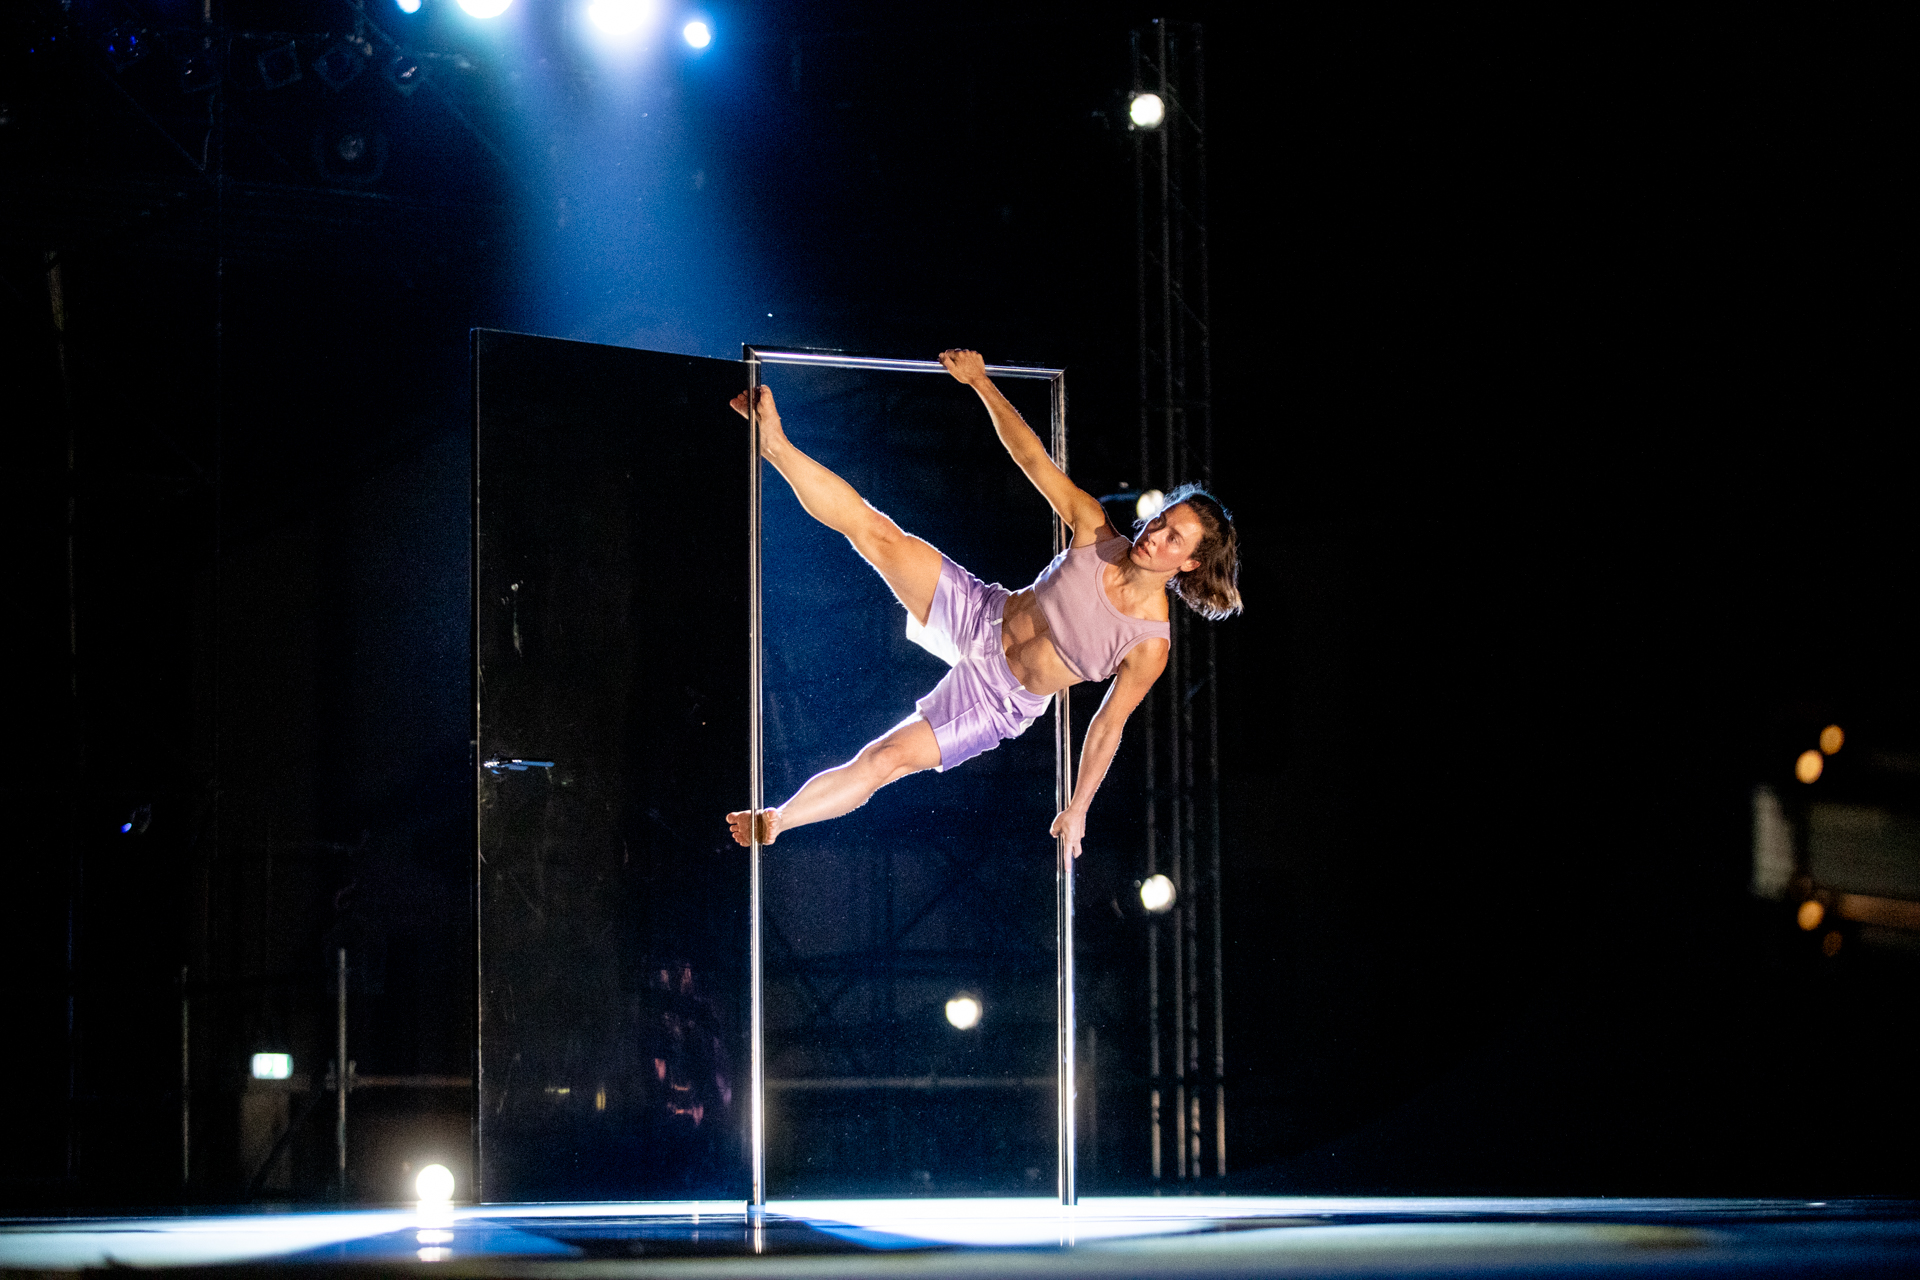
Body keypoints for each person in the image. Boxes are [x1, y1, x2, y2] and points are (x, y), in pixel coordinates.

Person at [725, 349, 1241, 859]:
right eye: (1162, 522)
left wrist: (1080, 806)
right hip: (980, 613)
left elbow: (1108, 725)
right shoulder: (1094, 529)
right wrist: (980, 382)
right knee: (879, 534)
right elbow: (1030, 458)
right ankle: (774, 444)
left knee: (887, 758)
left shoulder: (1148, 642)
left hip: (996, 700)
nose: (1156, 536)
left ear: (1190, 564)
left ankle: (777, 820)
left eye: (1175, 540)